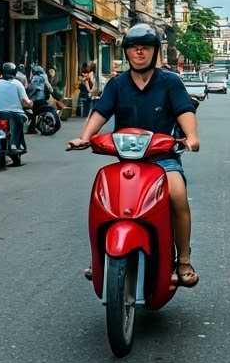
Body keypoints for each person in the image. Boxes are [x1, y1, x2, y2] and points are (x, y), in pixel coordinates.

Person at [69, 23, 202, 286]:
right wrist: (84, 138)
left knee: (177, 194)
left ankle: (183, 260)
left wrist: (191, 137)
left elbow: (184, 110)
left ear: (156, 52)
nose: (139, 52)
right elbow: (101, 112)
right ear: (127, 52)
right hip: (126, 160)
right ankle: (98, 259)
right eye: (133, 48)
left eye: (145, 48)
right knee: (102, 198)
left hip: (162, 159)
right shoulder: (117, 84)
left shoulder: (170, 81)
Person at [0, 61, 32, 151]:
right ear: (15, 73)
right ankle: (15, 144)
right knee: (19, 125)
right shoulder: (18, 84)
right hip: (17, 113)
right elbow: (25, 100)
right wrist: (30, 103)